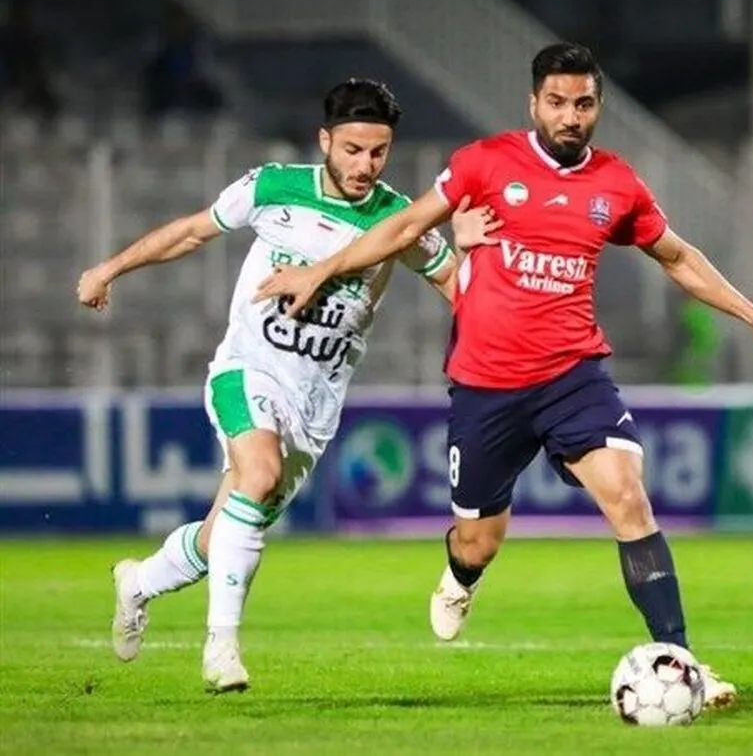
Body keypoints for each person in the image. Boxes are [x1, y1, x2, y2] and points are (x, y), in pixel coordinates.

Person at [255, 42, 753, 708]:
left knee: (628, 496)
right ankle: (461, 574)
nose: (571, 116)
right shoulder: (485, 163)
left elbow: (678, 257)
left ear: (597, 105)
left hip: (573, 376)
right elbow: (403, 227)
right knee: (478, 541)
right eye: (557, 102)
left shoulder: (616, 184)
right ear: (534, 103)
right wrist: (320, 271)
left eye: (584, 103)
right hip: (486, 386)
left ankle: (681, 660)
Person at [76, 78, 497, 692]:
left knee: (222, 535)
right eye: (352, 149)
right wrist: (109, 268)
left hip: (315, 404)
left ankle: (137, 582)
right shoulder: (273, 187)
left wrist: (478, 258)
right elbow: (193, 231)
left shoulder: (399, 219)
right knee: (259, 472)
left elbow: (462, 291)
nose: (365, 165)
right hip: (248, 369)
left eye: (378, 152)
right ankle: (221, 649)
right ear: (325, 141)